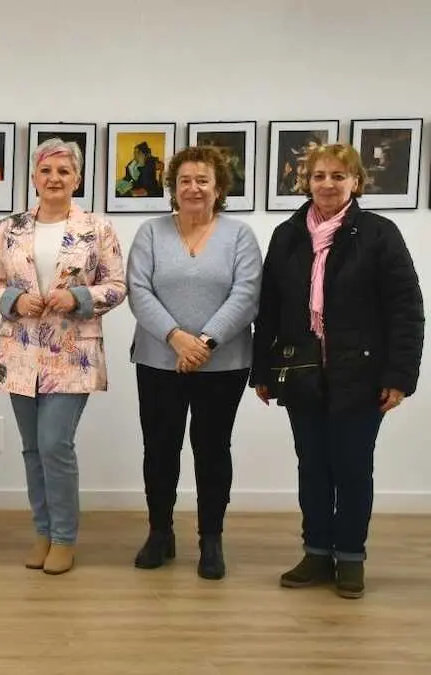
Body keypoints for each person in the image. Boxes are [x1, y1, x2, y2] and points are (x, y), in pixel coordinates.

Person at [251, 143, 423, 599]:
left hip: (361, 377)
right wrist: (262, 370)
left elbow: (407, 310)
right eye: (319, 176)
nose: (327, 184)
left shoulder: (379, 234)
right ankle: (316, 553)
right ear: (306, 182)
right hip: (301, 372)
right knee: (312, 467)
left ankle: (350, 558)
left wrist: (399, 376)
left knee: (351, 467)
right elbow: (268, 308)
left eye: (337, 176)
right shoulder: (288, 234)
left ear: (356, 183)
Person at [0, 138, 126, 575]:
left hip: (71, 354)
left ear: (77, 178)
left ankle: (64, 537)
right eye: (46, 171)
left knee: (54, 444)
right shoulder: (9, 228)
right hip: (19, 351)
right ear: (34, 178)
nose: (54, 178)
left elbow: (117, 285)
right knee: (31, 449)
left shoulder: (96, 228)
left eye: (64, 171)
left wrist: (77, 296)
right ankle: (42, 532)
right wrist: (12, 300)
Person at [126, 145, 262, 580]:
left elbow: (247, 294)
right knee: (160, 449)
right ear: (173, 188)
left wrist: (204, 342)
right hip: (157, 360)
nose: (193, 188)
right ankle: (160, 533)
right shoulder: (150, 232)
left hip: (223, 365)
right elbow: (138, 290)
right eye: (185, 180)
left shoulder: (239, 235)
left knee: (212, 450)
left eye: (203, 180)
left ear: (219, 187)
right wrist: (176, 338)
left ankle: (211, 539)